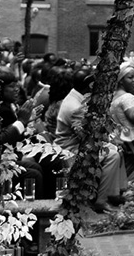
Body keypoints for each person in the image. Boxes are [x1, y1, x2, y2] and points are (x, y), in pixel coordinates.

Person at [55, 65, 129, 209]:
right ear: (88, 84)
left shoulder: (75, 96)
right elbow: (88, 137)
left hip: (76, 144)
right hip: (70, 150)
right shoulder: (75, 106)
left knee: (115, 149)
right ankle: (102, 199)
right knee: (113, 155)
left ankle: (115, 193)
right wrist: (109, 141)